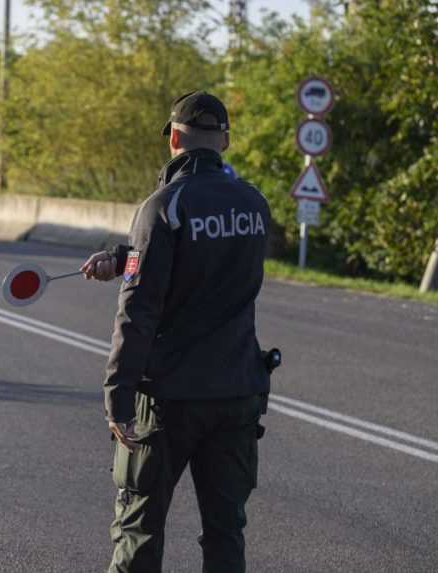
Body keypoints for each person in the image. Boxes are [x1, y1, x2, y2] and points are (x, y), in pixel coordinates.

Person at [80, 91, 272, 573]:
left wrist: (117, 397)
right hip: (238, 392)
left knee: (139, 530)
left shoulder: (163, 204)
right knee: (226, 533)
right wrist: (126, 255)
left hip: (170, 399)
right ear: (224, 141)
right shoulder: (254, 204)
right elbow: (209, 261)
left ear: (174, 138)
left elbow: (139, 310)